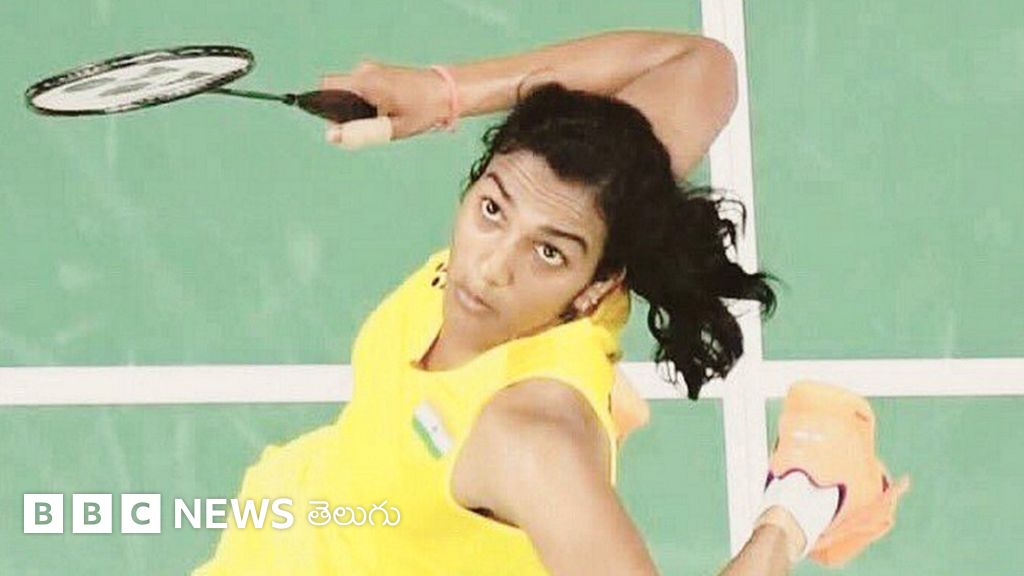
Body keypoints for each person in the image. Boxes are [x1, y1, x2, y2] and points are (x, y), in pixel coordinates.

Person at [193, 30, 849, 575]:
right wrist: (443, 93)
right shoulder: (601, 191)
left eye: (548, 253)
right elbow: (700, 64)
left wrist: (785, 522)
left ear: (599, 285)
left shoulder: (528, 441)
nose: (491, 267)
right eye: (492, 209)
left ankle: (811, 486)